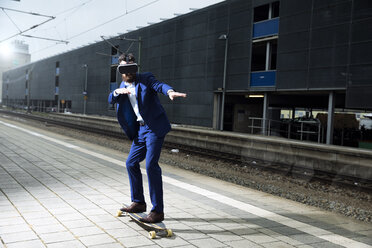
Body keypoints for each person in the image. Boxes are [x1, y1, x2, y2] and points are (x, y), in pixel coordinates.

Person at [108, 53, 187, 223]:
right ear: (120, 71)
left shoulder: (146, 78)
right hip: (140, 130)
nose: (128, 73)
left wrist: (170, 91)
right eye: (125, 70)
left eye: (131, 69)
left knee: (151, 165)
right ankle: (138, 202)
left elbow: (159, 85)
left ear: (135, 68)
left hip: (154, 128)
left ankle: (157, 211)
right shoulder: (122, 84)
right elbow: (110, 99)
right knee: (131, 163)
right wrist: (116, 92)